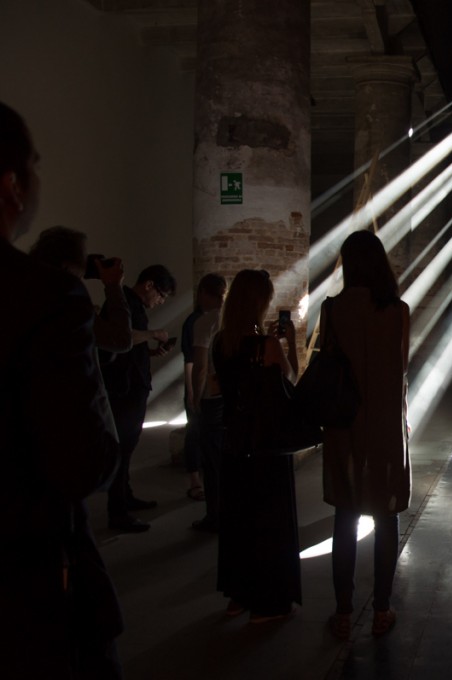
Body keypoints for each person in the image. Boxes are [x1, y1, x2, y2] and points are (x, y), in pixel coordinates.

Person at [1, 101, 124, 678]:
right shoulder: (43, 298)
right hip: (22, 582)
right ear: (12, 186)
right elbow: (81, 462)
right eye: (36, 164)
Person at [322, 229, 410, 640]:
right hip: (386, 426)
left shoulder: (333, 310)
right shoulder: (398, 311)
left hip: (344, 424)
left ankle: (342, 611)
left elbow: (328, 369)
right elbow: (400, 369)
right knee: (386, 514)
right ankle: (381, 609)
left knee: (345, 514)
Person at [212, 269, 301, 623]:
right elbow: (290, 378)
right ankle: (266, 604)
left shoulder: (222, 342)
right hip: (264, 444)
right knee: (268, 521)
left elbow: (224, 387)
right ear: (259, 301)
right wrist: (290, 342)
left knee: (238, 520)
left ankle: (238, 595)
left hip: (234, 441)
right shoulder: (265, 345)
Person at [101, 264, 176, 532]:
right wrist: (154, 334)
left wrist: (150, 352)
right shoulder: (121, 301)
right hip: (124, 389)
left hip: (131, 386)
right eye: (161, 295)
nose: (160, 301)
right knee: (121, 448)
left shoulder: (130, 303)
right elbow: (122, 337)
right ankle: (118, 512)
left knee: (127, 447)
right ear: (149, 285)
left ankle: (126, 497)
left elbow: (127, 345)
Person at [28, 225, 132, 355]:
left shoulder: (31, 294)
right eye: (83, 257)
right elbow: (122, 341)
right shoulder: (67, 305)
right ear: (67, 266)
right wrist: (113, 285)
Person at [181, 273, 226, 503]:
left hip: (210, 394)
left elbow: (198, 364)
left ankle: (211, 504)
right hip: (227, 393)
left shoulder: (202, 322)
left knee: (205, 446)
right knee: (219, 449)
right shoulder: (233, 318)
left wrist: (194, 395)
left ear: (203, 294)